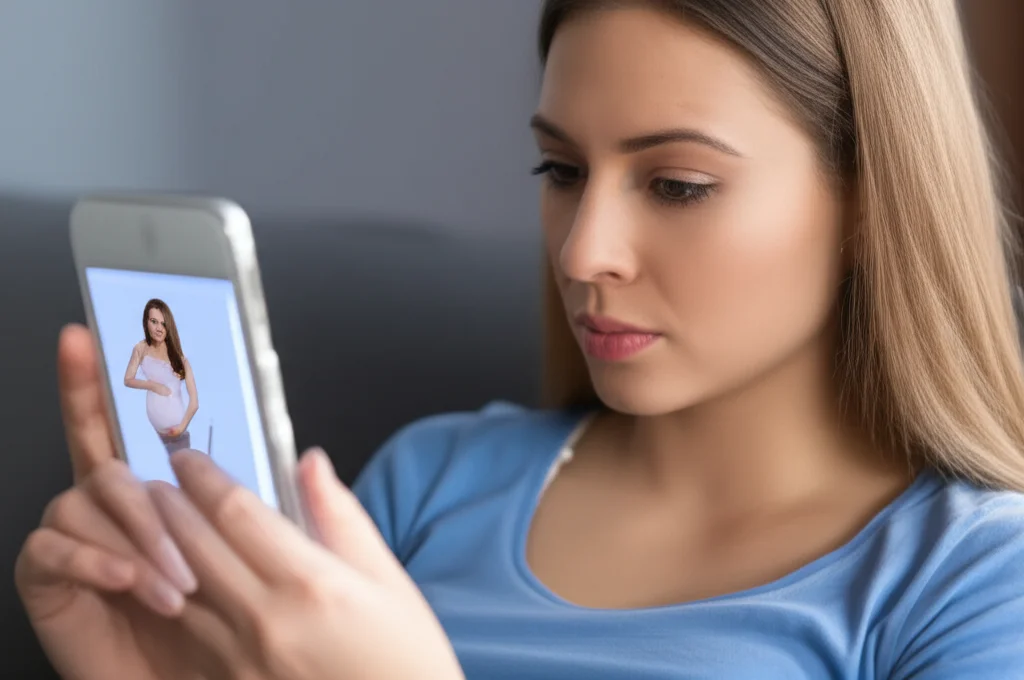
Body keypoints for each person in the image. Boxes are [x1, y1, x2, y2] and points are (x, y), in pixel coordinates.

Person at [14, 0, 1024, 677]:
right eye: (561, 172)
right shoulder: (429, 481)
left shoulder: (971, 582)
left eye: (676, 184)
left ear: (868, 204)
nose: (585, 252)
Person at [124, 299, 199, 454]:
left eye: (163, 324)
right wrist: (153, 386)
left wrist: (180, 428)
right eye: (154, 322)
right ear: (146, 322)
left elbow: (194, 403)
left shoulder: (180, 359)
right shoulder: (141, 348)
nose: (159, 328)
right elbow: (128, 380)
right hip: (152, 438)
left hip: (178, 438)